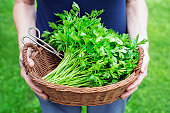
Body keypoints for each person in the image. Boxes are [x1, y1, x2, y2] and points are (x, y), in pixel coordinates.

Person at [13, 0, 150, 113]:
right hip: (49, 59)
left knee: (109, 107)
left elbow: (134, 2)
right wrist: (25, 48)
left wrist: (142, 46)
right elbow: (24, 3)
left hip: (113, 62)